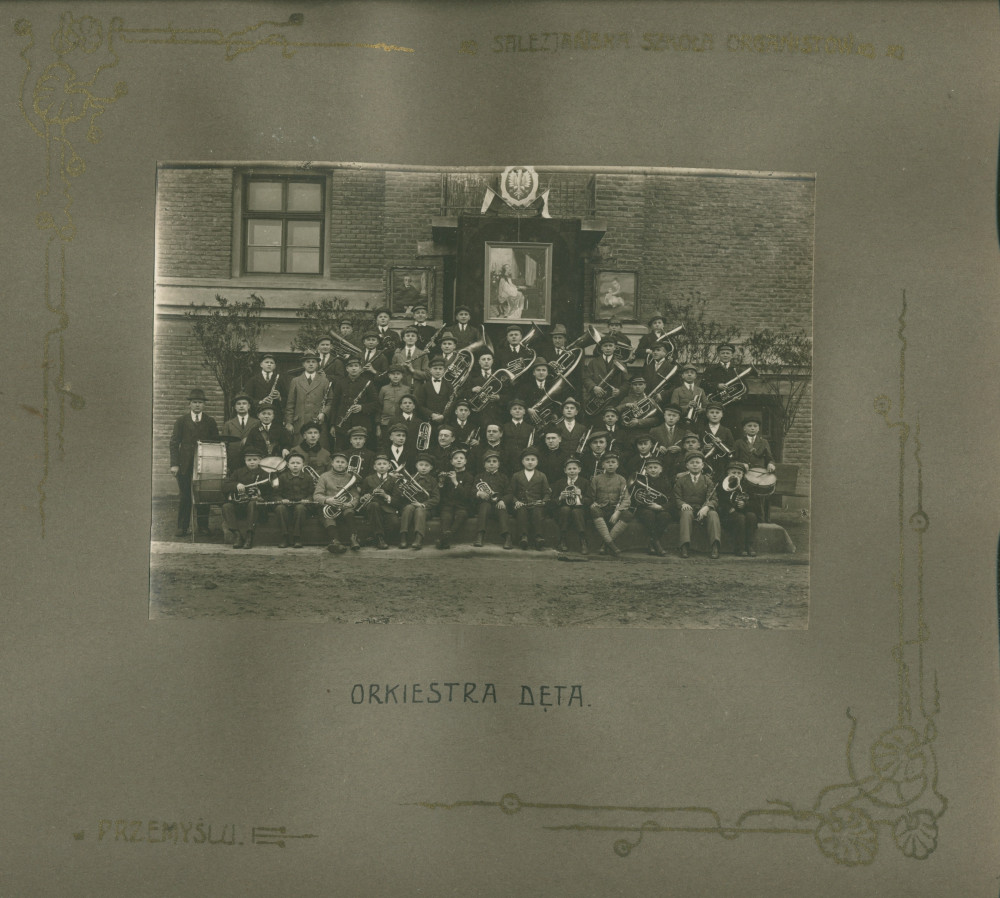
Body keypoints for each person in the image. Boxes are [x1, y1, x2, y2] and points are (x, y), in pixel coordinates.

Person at [168, 388, 219, 537]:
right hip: (184, 465)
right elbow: (174, 443)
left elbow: (215, 442)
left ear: (204, 405)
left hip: (204, 465)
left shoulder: (210, 421)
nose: (197, 405)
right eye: (194, 402)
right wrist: (174, 464)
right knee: (185, 496)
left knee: (203, 495)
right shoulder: (181, 421)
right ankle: (182, 527)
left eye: (200, 402)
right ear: (189, 404)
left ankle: (203, 526)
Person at [673, 449, 721, 559]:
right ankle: (684, 546)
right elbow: (676, 497)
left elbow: (713, 498)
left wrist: (706, 507)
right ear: (687, 465)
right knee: (686, 513)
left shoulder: (708, 480)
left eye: (697, 462)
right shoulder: (681, 480)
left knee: (713, 514)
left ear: (703, 465)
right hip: (687, 508)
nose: (695, 465)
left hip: (702, 508)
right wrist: (682, 504)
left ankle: (715, 546)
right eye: (692, 463)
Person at [314, 449, 362, 553]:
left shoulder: (350, 477)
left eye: (343, 462)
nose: (340, 464)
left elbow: (355, 496)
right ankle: (335, 541)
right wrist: (327, 500)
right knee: (327, 517)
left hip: (344, 507)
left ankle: (353, 539)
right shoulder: (324, 476)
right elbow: (317, 495)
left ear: (346, 465)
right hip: (329, 507)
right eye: (337, 462)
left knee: (349, 512)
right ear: (332, 463)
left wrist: (350, 504)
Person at [284, 351, 336, 448]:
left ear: (317, 364)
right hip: (300, 422)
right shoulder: (295, 381)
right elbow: (290, 404)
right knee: (299, 450)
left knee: (318, 450)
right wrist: (289, 422)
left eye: (313, 362)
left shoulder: (324, 381)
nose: (311, 364)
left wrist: (324, 413)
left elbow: (330, 401)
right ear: (303, 364)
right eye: (308, 362)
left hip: (318, 421)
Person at [221, 448, 270, 549]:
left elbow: (270, 492)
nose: (252, 462)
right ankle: (237, 536)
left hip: (257, 507)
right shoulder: (238, 472)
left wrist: (261, 496)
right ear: (245, 461)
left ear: (260, 460)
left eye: (255, 459)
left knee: (253, 504)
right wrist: (236, 484)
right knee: (226, 506)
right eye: (249, 460)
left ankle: (249, 536)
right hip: (240, 504)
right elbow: (225, 486)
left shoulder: (265, 474)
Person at [507, 447, 552, 550]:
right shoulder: (516, 476)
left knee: (537, 512)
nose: (530, 462)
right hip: (521, 504)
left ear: (537, 462)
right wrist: (516, 501)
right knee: (522, 511)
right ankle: (523, 537)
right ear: (522, 461)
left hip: (536, 504)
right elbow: (510, 493)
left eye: (533, 460)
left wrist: (543, 501)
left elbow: (546, 493)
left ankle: (538, 537)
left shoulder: (542, 476)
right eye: (527, 459)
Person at [589, 450, 632, 558]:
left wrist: (617, 512)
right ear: (603, 465)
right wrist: (593, 502)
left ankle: (605, 544)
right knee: (594, 510)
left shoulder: (621, 479)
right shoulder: (596, 479)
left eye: (613, 462)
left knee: (628, 514)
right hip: (601, 508)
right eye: (607, 462)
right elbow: (590, 496)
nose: (610, 464)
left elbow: (626, 499)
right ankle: (612, 546)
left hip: (615, 509)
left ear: (617, 465)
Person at [393, 452, 439, 549]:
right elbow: (400, 496)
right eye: (421, 465)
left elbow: (436, 498)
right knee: (408, 508)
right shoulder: (410, 477)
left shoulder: (433, 480)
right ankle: (403, 537)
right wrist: (401, 489)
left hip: (426, 508)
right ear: (416, 466)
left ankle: (418, 539)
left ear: (431, 468)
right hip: (410, 504)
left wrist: (423, 504)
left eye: (427, 465)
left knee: (419, 510)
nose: (423, 467)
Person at [550, 455, 593, 555]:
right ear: (565, 470)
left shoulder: (585, 482)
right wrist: (560, 498)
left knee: (576, 511)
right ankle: (563, 540)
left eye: (574, 468)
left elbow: (590, 500)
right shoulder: (560, 483)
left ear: (579, 470)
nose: (572, 471)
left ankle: (583, 541)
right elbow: (552, 502)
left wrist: (580, 496)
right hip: (563, 510)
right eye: (569, 469)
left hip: (580, 509)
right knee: (565, 509)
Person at [631, 455, 673, 556]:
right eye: (650, 468)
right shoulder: (641, 480)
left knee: (665, 516)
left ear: (661, 469)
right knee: (649, 515)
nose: (653, 470)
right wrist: (642, 499)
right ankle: (657, 544)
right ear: (646, 469)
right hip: (644, 509)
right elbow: (634, 498)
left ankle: (652, 542)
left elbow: (671, 499)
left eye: (655, 467)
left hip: (660, 507)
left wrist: (661, 507)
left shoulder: (666, 482)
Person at [717, 460, 761, 557]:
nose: (736, 475)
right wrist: (729, 508)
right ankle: (739, 548)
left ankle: (749, 545)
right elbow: (720, 501)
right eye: (733, 472)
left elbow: (756, 503)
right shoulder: (722, 485)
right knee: (740, 518)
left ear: (743, 475)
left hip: (744, 511)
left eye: (739, 473)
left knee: (752, 517)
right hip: (729, 515)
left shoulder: (748, 486)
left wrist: (745, 504)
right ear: (728, 473)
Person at [332, 356, 377, 449]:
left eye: (356, 366)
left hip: (362, 423)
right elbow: (334, 405)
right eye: (351, 366)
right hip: (343, 424)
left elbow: (376, 403)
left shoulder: (368, 383)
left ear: (360, 368)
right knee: (342, 450)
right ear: (347, 369)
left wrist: (362, 407)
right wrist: (333, 425)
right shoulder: (340, 383)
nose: (353, 368)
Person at [275, 450, 316, 549]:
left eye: (298, 463)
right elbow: (276, 494)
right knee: (279, 508)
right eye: (292, 463)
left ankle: (297, 537)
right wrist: (282, 500)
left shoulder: (308, 478)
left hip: (302, 506)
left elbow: (312, 494)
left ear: (303, 465)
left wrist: (307, 500)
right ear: (288, 465)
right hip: (287, 505)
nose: (295, 465)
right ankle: (284, 536)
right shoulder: (282, 477)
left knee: (300, 508)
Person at [436, 447, 475, 549]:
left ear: (465, 461)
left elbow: (466, 495)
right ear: (451, 462)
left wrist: (455, 481)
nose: (458, 460)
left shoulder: (469, 476)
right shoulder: (448, 474)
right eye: (455, 458)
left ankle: (445, 539)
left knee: (461, 515)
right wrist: (441, 483)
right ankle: (446, 540)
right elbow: (442, 494)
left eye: (461, 458)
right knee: (446, 516)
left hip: (463, 506)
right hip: (448, 505)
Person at [472, 449, 512, 549]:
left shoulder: (504, 477)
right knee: (484, 506)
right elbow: (472, 490)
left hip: (499, 503)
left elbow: (509, 493)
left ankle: (507, 537)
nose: (491, 464)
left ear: (499, 464)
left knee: (502, 510)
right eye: (488, 462)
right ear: (484, 464)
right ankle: (480, 535)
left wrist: (503, 500)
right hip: (485, 503)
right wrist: (478, 493)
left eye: (494, 461)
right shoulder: (479, 477)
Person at [359, 453, 398, 550]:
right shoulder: (368, 479)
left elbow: (397, 500)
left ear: (389, 466)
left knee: (395, 523)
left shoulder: (394, 480)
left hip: (388, 509)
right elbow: (361, 496)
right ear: (374, 467)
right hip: (372, 509)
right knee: (374, 505)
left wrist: (385, 496)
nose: (381, 466)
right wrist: (364, 497)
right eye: (379, 464)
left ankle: (373, 539)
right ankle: (380, 538)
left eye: (384, 464)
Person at [583, 337, 626, 420]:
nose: (608, 348)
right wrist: (594, 387)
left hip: (613, 400)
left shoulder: (621, 363)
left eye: (610, 345)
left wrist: (620, 391)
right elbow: (586, 378)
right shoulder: (593, 362)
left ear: (615, 347)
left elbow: (626, 382)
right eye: (605, 346)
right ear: (601, 348)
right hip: (596, 398)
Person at [219, 393, 259, 471]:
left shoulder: (256, 423)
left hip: (251, 459)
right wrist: (225, 463)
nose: (241, 406)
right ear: (235, 407)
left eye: (244, 403)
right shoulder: (229, 424)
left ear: (249, 406)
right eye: (238, 404)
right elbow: (224, 445)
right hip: (233, 460)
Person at [243, 353, 287, 420]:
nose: (269, 364)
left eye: (272, 363)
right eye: (266, 362)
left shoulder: (280, 379)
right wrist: (260, 402)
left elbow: (287, 398)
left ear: (275, 366)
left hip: (275, 416)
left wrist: (279, 397)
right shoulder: (253, 380)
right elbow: (247, 398)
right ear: (261, 365)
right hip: (257, 415)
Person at [414, 357, 454, 429]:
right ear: (430, 370)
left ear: (444, 370)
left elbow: (452, 403)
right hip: (428, 422)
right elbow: (419, 405)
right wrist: (431, 414)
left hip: (445, 422)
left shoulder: (449, 386)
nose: (438, 371)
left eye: (440, 369)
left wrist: (443, 416)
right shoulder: (423, 387)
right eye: (435, 368)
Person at [377, 364, 410, 440]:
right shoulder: (384, 389)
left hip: (402, 422)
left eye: (398, 374)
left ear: (402, 376)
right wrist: (378, 425)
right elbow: (379, 406)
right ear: (389, 375)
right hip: (386, 422)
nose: (395, 376)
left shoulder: (407, 389)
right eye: (393, 374)